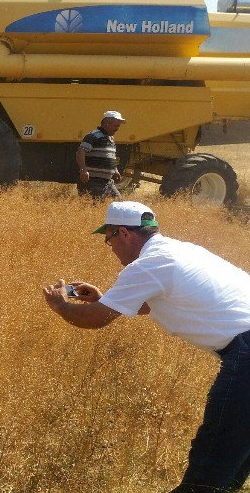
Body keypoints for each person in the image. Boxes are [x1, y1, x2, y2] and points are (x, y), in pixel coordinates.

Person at [43, 201, 250, 491]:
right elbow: (155, 301)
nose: (110, 247)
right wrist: (106, 298)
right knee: (228, 470)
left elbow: (96, 320)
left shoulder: (149, 264)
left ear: (124, 233)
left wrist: (60, 306)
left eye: (109, 238)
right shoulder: (182, 250)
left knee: (207, 472)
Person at [77, 110, 125, 199]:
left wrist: (115, 171)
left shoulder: (111, 139)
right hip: (92, 181)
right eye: (116, 125)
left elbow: (111, 157)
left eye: (118, 126)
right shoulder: (93, 136)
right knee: (93, 206)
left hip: (108, 182)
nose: (117, 128)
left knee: (118, 204)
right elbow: (81, 152)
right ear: (107, 123)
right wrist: (83, 170)